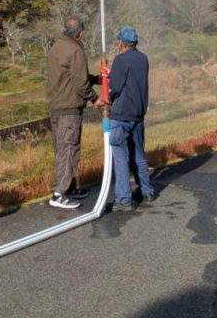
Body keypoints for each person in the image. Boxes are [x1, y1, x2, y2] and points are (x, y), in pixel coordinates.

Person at [45, 16, 101, 209]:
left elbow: (73, 76)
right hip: (68, 107)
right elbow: (80, 82)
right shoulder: (75, 50)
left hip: (57, 106)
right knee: (69, 148)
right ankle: (59, 193)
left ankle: (68, 188)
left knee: (62, 148)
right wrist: (95, 98)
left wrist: (98, 79)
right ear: (80, 32)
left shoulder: (56, 47)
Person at [107, 26, 155, 211]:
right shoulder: (143, 58)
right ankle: (147, 191)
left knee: (120, 156)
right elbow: (131, 80)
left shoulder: (120, 60)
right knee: (139, 154)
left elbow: (116, 86)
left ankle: (124, 200)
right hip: (138, 113)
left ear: (121, 43)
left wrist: (108, 99)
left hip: (122, 114)